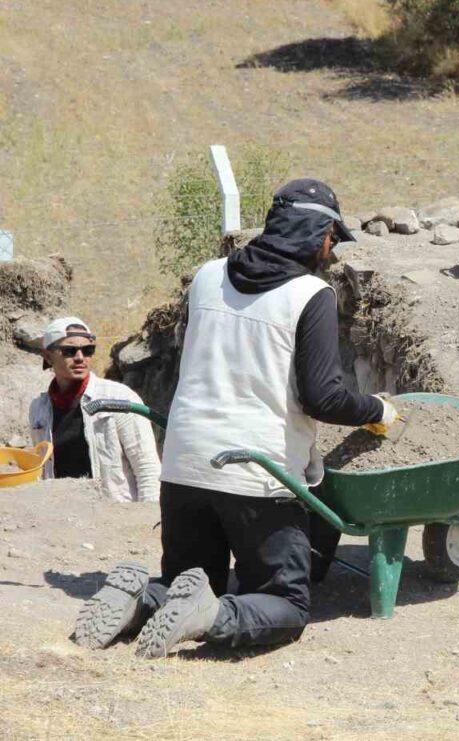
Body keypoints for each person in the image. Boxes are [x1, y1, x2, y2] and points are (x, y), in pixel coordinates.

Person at [73, 179, 398, 657]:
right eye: (331, 238)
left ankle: (139, 600)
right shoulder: (311, 295)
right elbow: (324, 398)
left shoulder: (207, 276)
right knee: (286, 603)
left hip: (183, 465)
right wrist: (378, 409)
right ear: (316, 233)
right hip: (255, 475)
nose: (330, 251)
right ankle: (211, 617)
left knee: (189, 580)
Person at [28, 316, 160, 502]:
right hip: (62, 512)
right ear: (48, 356)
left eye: (88, 350)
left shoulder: (118, 398)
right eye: (69, 351)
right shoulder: (38, 409)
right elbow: (42, 470)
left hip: (113, 513)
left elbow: (147, 467)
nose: (80, 358)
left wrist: (147, 515)